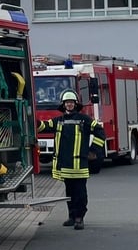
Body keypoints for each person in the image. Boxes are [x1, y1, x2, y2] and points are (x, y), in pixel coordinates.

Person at [38, 90, 106, 230]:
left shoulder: (85, 119)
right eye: (67, 102)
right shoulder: (59, 120)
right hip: (65, 165)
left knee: (80, 193)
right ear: (63, 105)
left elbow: (100, 131)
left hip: (79, 165)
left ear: (75, 104)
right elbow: (43, 126)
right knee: (69, 193)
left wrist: (93, 151)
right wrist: (32, 118)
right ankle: (71, 216)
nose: (69, 104)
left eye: (71, 102)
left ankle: (79, 218)